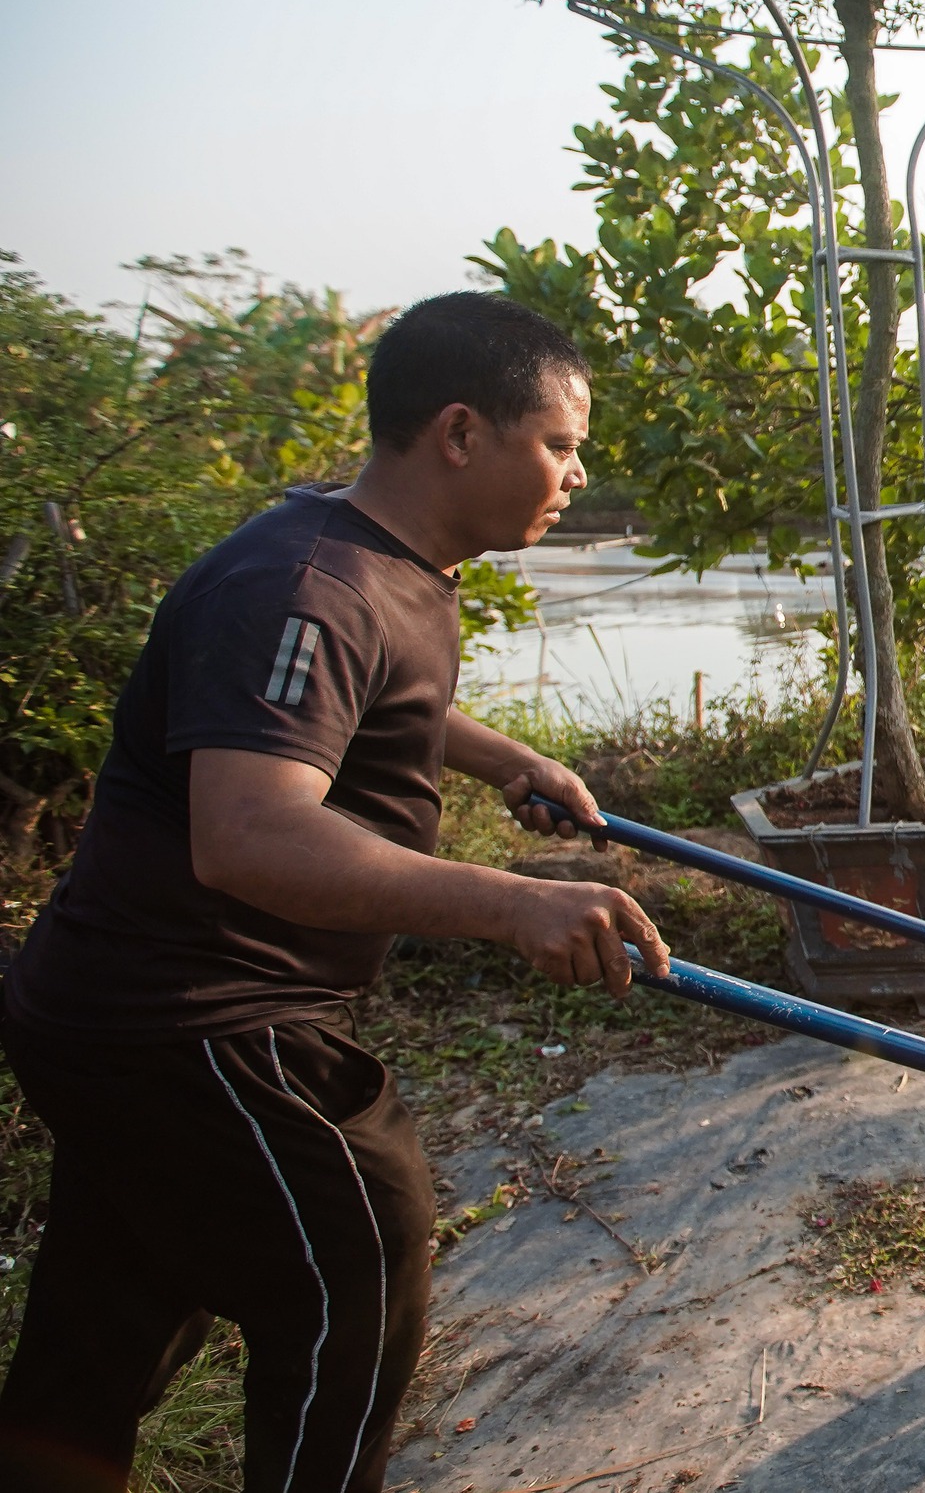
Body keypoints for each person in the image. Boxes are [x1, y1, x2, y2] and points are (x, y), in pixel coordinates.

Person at [0, 292, 668, 1493]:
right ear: (460, 433)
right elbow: (251, 836)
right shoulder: (304, 584)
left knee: (117, 1304)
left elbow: (354, 693)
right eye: (558, 443)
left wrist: (499, 757)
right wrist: (512, 902)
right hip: (191, 1015)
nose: (574, 473)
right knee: (359, 1247)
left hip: (118, 1003)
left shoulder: (370, 554)